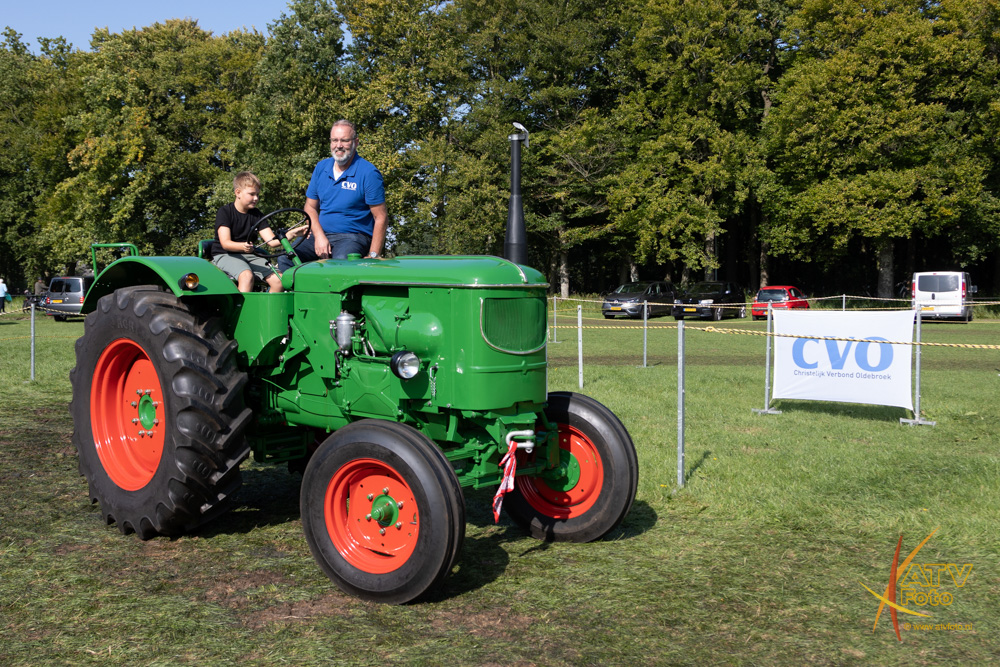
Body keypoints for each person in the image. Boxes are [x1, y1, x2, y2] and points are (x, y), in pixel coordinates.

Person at [277, 120, 387, 272]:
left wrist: (374, 255)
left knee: (339, 265)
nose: (339, 145)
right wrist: (319, 235)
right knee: (286, 258)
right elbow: (310, 207)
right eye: (335, 140)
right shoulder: (322, 167)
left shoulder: (368, 173)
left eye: (344, 140)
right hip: (321, 234)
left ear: (356, 142)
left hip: (352, 237)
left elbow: (381, 217)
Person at [212, 171, 306, 293]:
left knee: (279, 280)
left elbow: (272, 241)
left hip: (250, 255)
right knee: (246, 276)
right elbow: (225, 243)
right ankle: (242, 311)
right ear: (238, 193)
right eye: (251, 194)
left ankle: (269, 311)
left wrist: (292, 234)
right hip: (225, 254)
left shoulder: (257, 215)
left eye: (257, 194)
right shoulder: (225, 212)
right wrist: (242, 246)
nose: (256, 198)